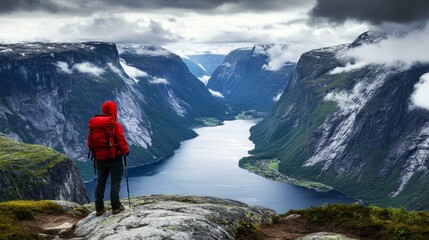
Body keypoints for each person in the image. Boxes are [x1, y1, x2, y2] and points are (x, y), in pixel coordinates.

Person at [88, 100, 129, 216]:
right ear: (114, 111)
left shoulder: (94, 124)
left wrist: (99, 152)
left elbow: (89, 142)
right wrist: (126, 151)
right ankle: (116, 207)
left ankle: (99, 208)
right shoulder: (115, 125)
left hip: (99, 158)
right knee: (115, 181)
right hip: (114, 157)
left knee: (101, 181)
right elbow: (121, 140)